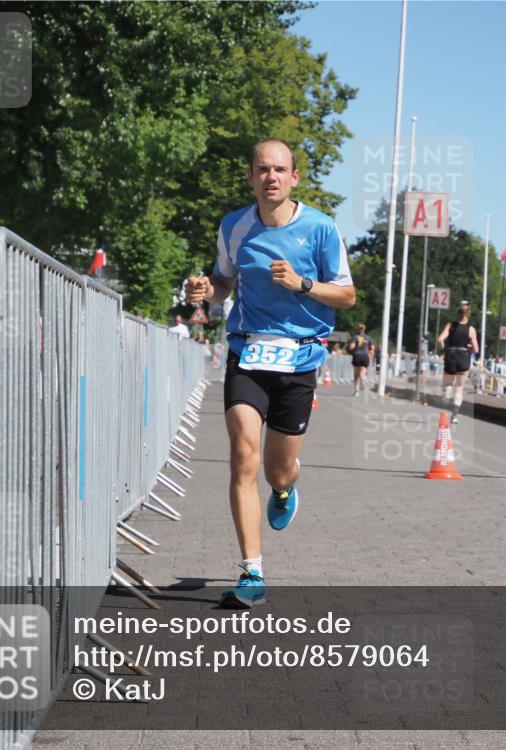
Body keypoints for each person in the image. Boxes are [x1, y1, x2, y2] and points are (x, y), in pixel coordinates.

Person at [185, 139, 355, 607]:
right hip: (248, 353)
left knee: (277, 471)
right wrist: (204, 289)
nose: (271, 177)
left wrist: (302, 284)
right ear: (250, 176)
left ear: (295, 177)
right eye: (263, 169)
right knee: (243, 454)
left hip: (299, 360)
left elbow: (347, 296)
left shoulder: (321, 229)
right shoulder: (234, 226)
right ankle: (252, 573)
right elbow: (222, 286)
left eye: (280, 169)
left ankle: (285, 488)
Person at [436, 302, 480, 424]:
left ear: (458, 313)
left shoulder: (450, 326)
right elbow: (476, 350)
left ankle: (447, 393)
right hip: (463, 358)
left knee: (447, 384)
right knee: (459, 388)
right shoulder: (471, 329)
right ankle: (454, 415)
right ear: (468, 314)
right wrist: (469, 347)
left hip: (451, 356)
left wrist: (444, 349)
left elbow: (440, 339)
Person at [347, 323, 373, 396]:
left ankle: (356, 391)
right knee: (362, 373)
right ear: (364, 329)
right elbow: (372, 348)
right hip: (365, 356)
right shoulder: (368, 338)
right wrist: (371, 357)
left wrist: (349, 347)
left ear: (358, 329)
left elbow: (352, 346)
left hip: (357, 355)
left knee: (356, 374)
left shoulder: (355, 337)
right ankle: (363, 379)